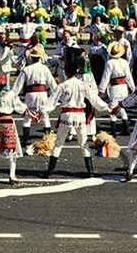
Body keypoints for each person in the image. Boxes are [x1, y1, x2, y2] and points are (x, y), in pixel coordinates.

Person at [42, 48, 111, 178]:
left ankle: (49, 172)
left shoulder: (63, 85)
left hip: (66, 116)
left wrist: (42, 112)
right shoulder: (82, 85)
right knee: (83, 143)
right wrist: (108, 108)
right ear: (76, 72)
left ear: (66, 73)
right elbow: (95, 99)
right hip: (80, 116)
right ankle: (90, 172)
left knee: (58, 144)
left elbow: (51, 102)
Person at [11, 43, 57, 143]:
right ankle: (47, 139)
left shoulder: (26, 69)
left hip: (30, 94)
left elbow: (17, 87)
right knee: (45, 115)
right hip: (42, 94)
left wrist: (13, 95)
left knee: (28, 116)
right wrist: (57, 95)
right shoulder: (45, 68)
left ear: (31, 57)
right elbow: (53, 84)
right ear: (40, 57)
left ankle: (25, 140)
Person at [99, 41, 134, 136]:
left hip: (115, 88)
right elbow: (128, 76)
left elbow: (106, 77)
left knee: (113, 107)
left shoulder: (110, 63)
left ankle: (113, 130)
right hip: (124, 87)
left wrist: (101, 90)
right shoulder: (125, 62)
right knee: (121, 106)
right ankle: (126, 128)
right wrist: (132, 87)